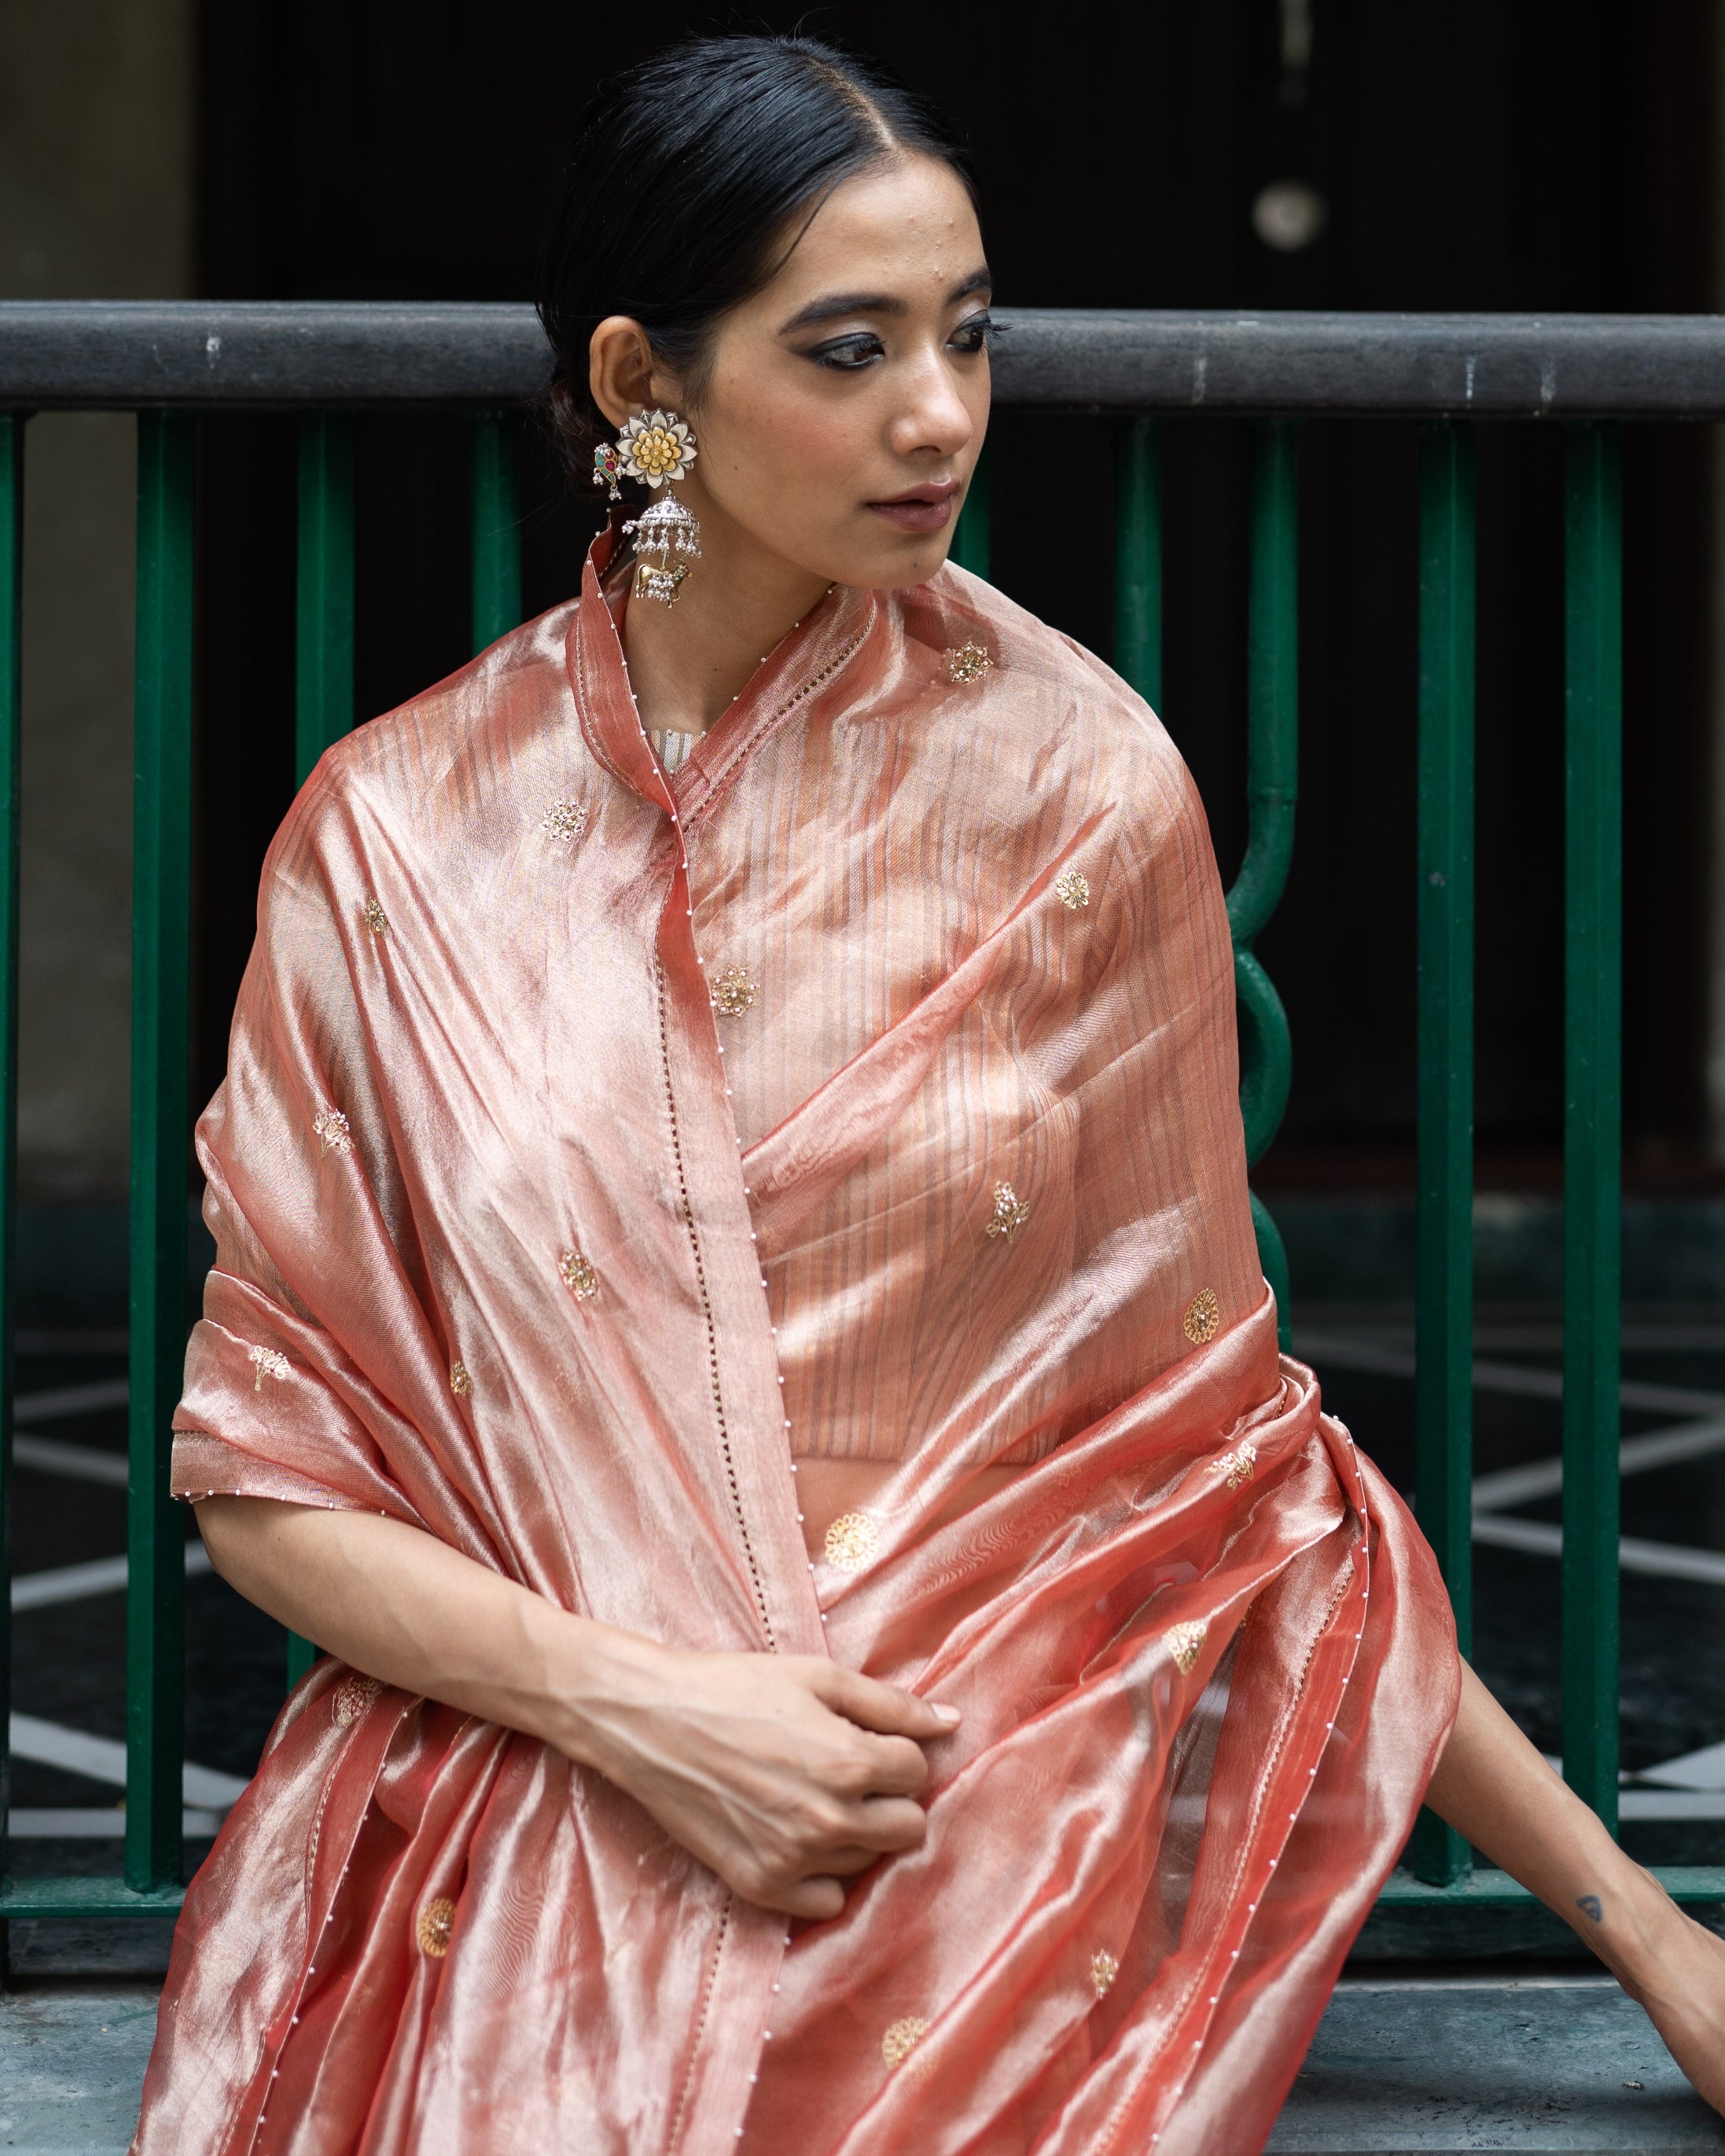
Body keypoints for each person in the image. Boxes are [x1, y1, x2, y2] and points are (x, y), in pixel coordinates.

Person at [133, 33, 1725, 2156]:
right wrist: (654, 1715)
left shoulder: (1070, 783)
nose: (939, 415)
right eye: (849, 348)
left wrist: (1647, 1935)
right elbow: (267, 1474)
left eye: (968, 337)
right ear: (639, 384)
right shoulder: (395, 834)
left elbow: (1232, 1475)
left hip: (959, 1808)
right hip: (544, 1768)